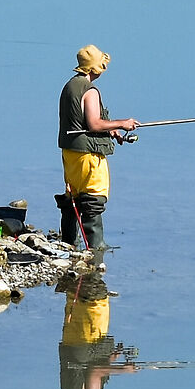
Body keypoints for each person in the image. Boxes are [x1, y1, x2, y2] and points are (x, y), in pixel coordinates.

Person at [56, 44, 139, 255]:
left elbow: (79, 122)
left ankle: (69, 243)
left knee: (73, 196)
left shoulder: (70, 86)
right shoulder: (90, 90)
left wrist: (110, 131)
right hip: (88, 154)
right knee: (94, 197)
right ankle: (96, 247)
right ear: (95, 68)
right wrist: (123, 123)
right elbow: (93, 124)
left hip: (70, 152)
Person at [55, 268, 138, 389]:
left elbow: (94, 372)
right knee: (86, 291)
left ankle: (90, 267)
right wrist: (112, 358)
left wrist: (124, 369)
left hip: (86, 343)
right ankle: (83, 274)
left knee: (94, 292)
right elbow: (92, 371)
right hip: (73, 340)